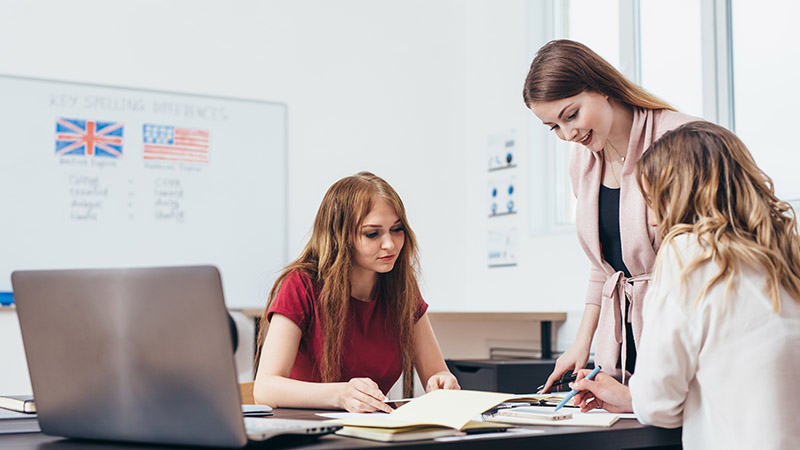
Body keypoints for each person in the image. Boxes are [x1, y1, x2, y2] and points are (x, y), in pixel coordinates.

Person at [570, 121, 800, 449]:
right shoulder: (784, 251)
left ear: (679, 194)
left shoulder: (688, 254)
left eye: (654, 200)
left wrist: (638, 396)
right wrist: (630, 395)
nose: (651, 220)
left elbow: (658, 406)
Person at [522, 39, 700, 391]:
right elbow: (604, 265)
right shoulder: (584, 161)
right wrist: (581, 343)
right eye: (554, 127)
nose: (568, 134)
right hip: (623, 339)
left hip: (679, 328)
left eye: (571, 115)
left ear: (601, 87)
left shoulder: (680, 140)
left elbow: (705, 256)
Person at [253, 171, 459, 413]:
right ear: (339, 237)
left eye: (397, 229)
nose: (390, 244)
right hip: (311, 433)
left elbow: (436, 372)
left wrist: (442, 381)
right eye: (372, 234)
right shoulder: (301, 285)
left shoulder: (401, 286)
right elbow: (265, 389)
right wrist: (340, 394)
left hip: (376, 432)